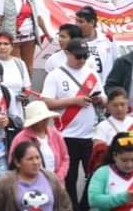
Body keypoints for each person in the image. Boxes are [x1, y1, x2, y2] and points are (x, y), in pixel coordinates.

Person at [41, 38, 104, 211]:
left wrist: (100, 99)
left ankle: (84, 207)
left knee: (94, 175)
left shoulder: (91, 74)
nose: (82, 60)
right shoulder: (55, 75)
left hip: (90, 135)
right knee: (69, 178)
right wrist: (73, 101)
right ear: (68, 54)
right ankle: (72, 207)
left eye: (85, 56)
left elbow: (104, 99)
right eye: (78, 56)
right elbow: (46, 102)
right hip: (66, 135)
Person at [0, 141, 72, 211]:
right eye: (30, 159)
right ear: (17, 162)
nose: (35, 162)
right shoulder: (5, 183)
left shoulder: (51, 178)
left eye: (38, 158)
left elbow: (65, 205)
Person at [0, 0, 51, 74]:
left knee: (28, 68)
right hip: (12, 38)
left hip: (29, 38)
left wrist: (47, 34)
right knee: (16, 66)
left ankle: (27, 89)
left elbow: (39, 18)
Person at [9, 100, 69, 182]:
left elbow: (65, 158)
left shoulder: (55, 134)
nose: (46, 121)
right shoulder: (20, 139)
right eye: (42, 119)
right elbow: (13, 163)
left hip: (56, 183)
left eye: (46, 118)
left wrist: (59, 176)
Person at [88, 130, 133, 210]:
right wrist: (125, 197)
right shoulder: (103, 173)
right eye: (124, 160)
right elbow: (94, 200)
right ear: (114, 155)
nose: (129, 165)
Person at [76, 6, 117, 85]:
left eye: (81, 22)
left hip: (105, 89)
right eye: (76, 21)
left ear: (92, 22)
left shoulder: (108, 39)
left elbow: (116, 63)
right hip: (83, 91)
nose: (77, 25)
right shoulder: (74, 41)